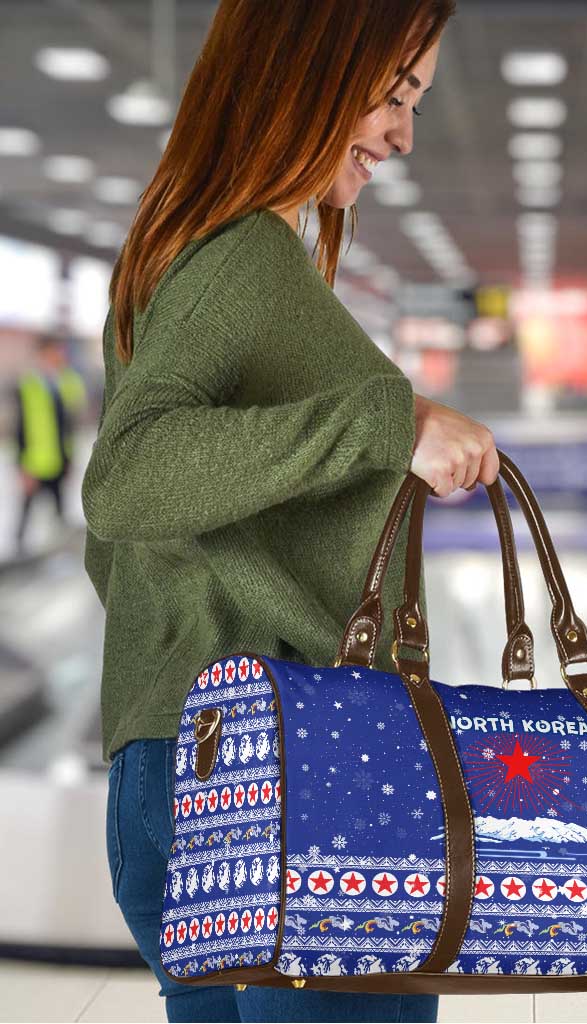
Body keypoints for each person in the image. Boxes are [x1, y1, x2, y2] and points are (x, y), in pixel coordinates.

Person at [81, 3, 497, 1021]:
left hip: (187, 756)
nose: (401, 133)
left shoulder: (186, 251)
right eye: (395, 94)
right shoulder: (239, 261)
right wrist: (386, 423)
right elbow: (126, 477)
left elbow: (135, 538)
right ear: (306, 65)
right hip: (294, 772)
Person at [11, 331, 85, 556]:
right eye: (54, 351)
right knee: (26, 512)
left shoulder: (65, 381)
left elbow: (71, 419)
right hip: (35, 462)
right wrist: (22, 466)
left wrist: (70, 458)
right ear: (43, 353)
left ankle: (59, 554)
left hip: (60, 459)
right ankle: (18, 554)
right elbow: (20, 428)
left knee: (60, 511)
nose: (59, 355)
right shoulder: (28, 385)